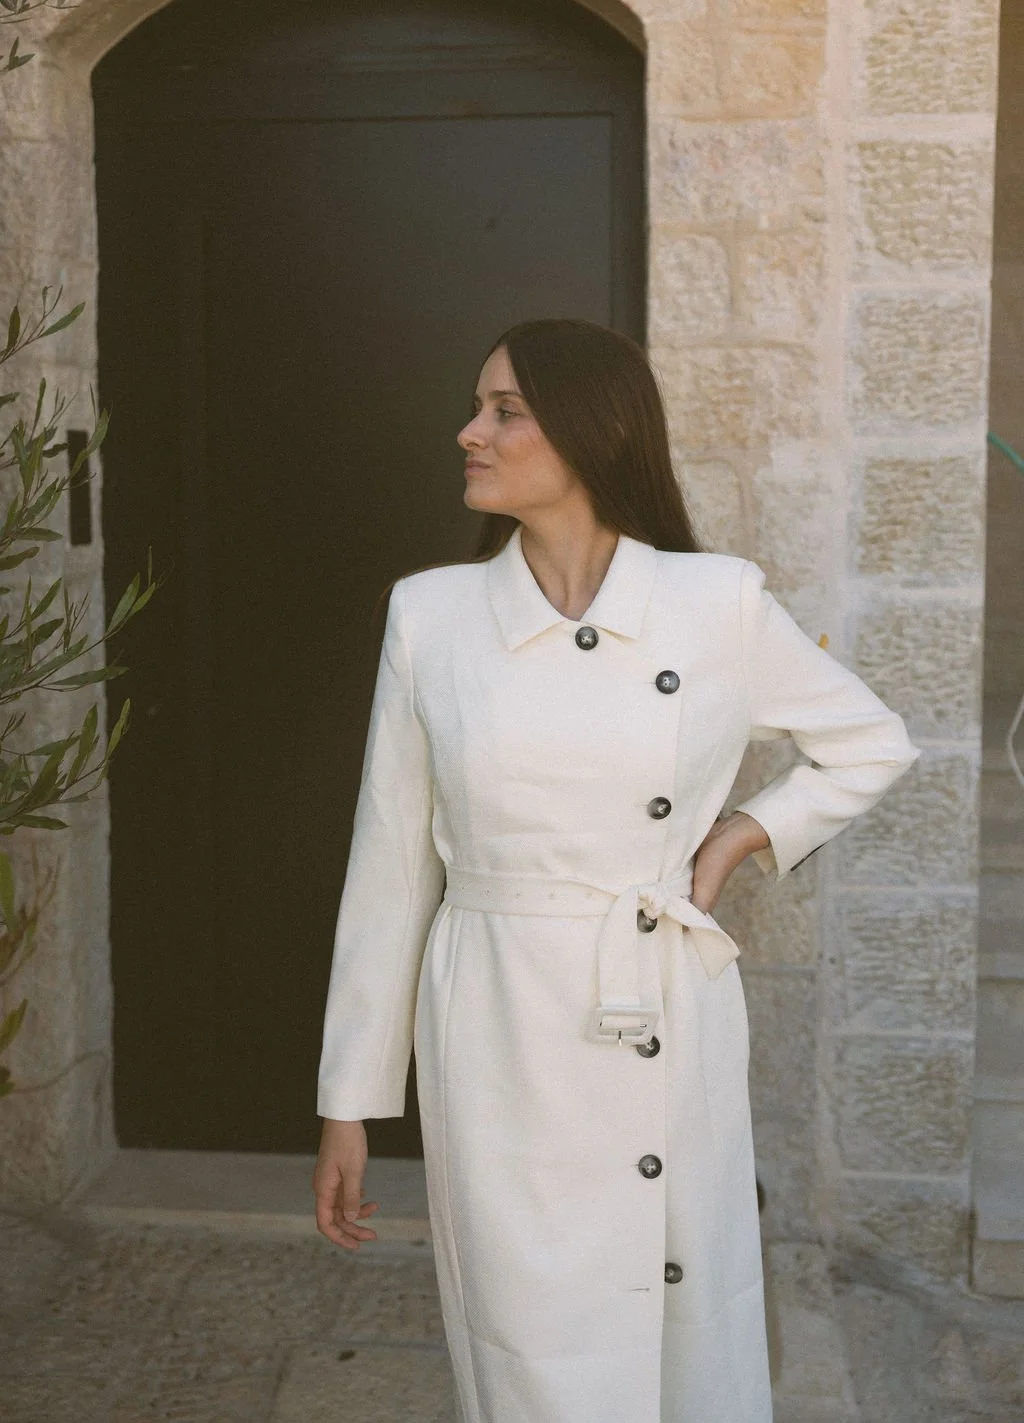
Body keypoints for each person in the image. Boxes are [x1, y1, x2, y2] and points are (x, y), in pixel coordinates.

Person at [311, 318, 921, 1423]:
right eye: (477, 405)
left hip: (664, 1002)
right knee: (527, 1328)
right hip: (498, 1023)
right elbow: (391, 866)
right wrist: (351, 1099)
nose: (470, 432)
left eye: (505, 409)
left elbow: (871, 741)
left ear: (590, 431)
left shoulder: (714, 600)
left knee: (682, 1322)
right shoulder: (432, 615)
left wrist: (740, 831)